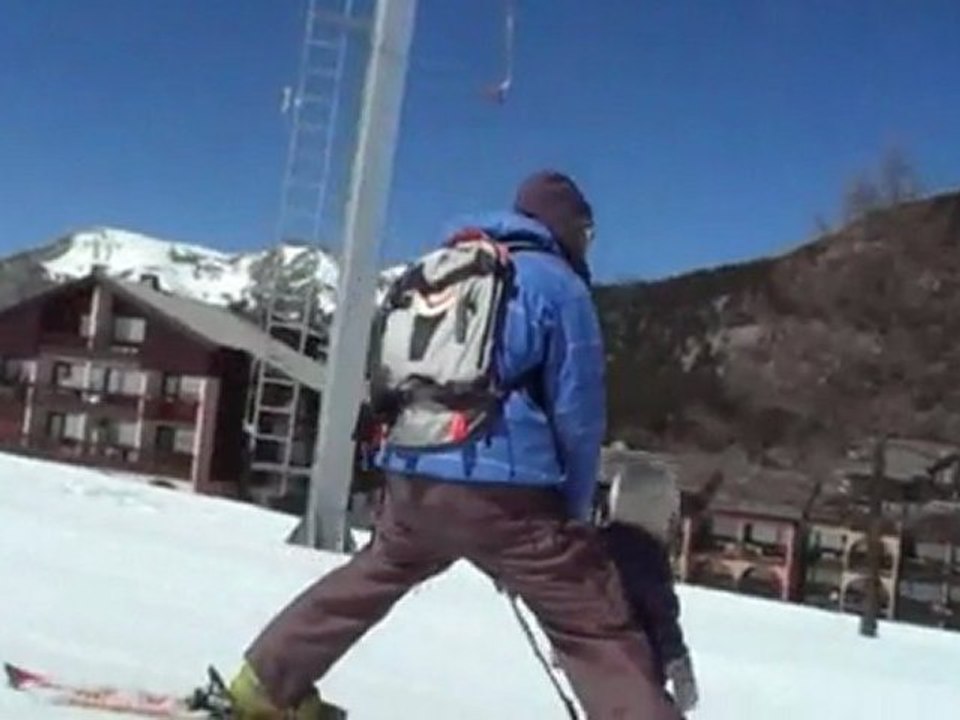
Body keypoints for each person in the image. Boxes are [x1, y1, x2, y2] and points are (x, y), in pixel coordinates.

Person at [224, 171, 683, 720]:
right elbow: (577, 415)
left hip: (413, 475)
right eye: (587, 231)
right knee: (592, 621)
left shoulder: (437, 272)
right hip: (504, 494)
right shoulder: (559, 285)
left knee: (371, 576)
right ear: (567, 227)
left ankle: (266, 684)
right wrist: (573, 512)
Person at [593, 448, 700, 715]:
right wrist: (676, 659)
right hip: (635, 663)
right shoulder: (646, 558)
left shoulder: (593, 544)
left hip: (593, 661)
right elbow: (660, 613)